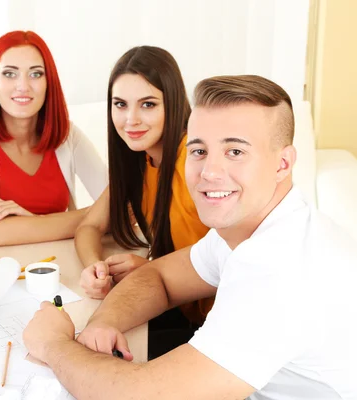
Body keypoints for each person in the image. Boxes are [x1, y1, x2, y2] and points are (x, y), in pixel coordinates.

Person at [23, 75, 357, 399]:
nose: (209, 172)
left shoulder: (279, 269)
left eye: (235, 152)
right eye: (198, 151)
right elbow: (160, 276)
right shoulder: (253, 227)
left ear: (283, 163)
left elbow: (137, 395)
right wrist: (104, 323)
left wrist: (53, 343)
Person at [75, 46, 211, 357]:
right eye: (120, 104)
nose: (130, 119)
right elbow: (89, 226)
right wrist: (94, 268)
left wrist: (152, 270)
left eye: (148, 104)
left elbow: (223, 258)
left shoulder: (193, 162)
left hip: (217, 322)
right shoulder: (142, 161)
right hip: (182, 310)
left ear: (172, 103)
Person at [0, 30, 107, 248]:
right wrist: (93, 217)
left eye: (36, 74)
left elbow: (124, 211)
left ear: (48, 82)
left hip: (61, 265)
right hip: (2, 268)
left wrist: (29, 221)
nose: (23, 86)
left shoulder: (67, 135)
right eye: (10, 74)